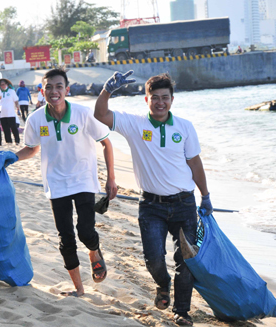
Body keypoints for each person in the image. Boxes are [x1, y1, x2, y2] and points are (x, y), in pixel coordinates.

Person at [94, 70, 213, 326]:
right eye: (155, 97)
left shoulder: (185, 127)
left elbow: (195, 162)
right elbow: (100, 114)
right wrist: (107, 91)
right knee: (154, 259)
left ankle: (182, 311)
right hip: (151, 207)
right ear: (146, 99)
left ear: (172, 100)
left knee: (186, 260)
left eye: (165, 98)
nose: (160, 102)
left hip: (184, 204)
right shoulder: (135, 124)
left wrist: (206, 195)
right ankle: (162, 283)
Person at [15, 68, 118, 297]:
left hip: (83, 180)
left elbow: (106, 143)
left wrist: (111, 178)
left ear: (67, 90)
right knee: (66, 237)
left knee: (85, 231)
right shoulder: (36, 119)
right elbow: (31, 149)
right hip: (56, 184)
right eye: (49, 87)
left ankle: (94, 252)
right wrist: (10, 158)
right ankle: (79, 289)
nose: (54, 91)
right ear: (42, 91)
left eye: (59, 87)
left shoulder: (83, 114)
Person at [0, 78, 20, 145]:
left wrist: (18, 107)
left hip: (10, 113)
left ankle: (17, 141)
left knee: (14, 128)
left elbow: (16, 100)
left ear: (7, 84)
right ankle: (8, 141)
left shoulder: (11, 91)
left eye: (4, 84)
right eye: (1, 85)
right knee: (5, 129)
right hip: (2, 114)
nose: (2, 86)